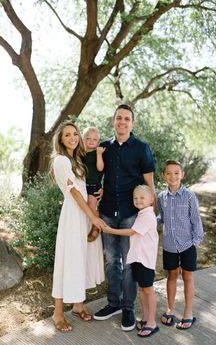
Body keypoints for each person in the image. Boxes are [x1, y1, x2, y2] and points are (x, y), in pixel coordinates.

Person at [94, 104, 156, 332]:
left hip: (132, 214)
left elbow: (149, 183)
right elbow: (96, 176)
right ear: (113, 121)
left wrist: (153, 210)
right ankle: (114, 303)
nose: (122, 122)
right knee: (112, 261)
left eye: (127, 119)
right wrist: (96, 192)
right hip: (108, 211)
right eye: (119, 118)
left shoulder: (141, 148)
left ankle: (128, 308)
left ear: (132, 123)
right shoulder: (105, 148)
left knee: (130, 263)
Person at [49, 121, 106, 332]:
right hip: (74, 215)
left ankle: (78, 305)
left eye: (75, 134)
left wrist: (101, 194)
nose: (73, 137)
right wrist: (93, 217)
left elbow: (87, 185)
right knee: (69, 259)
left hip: (84, 213)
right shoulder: (61, 160)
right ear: (61, 139)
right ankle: (57, 313)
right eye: (67, 135)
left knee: (82, 258)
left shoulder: (77, 159)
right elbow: (74, 193)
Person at [101, 185, 159, 338]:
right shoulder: (141, 214)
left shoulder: (147, 215)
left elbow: (131, 232)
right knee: (141, 289)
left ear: (151, 200)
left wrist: (110, 230)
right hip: (137, 259)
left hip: (145, 260)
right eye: (135, 198)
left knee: (148, 290)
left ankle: (152, 322)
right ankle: (146, 318)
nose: (138, 200)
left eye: (142, 197)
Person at [157, 160, 204, 330]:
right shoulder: (161, 197)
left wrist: (196, 241)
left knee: (187, 277)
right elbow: (161, 218)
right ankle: (170, 309)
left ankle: (188, 313)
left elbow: (196, 221)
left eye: (176, 172)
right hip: (169, 244)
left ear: (182, 174)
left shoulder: (190, 196)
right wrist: (147, 224)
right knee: (171, 276)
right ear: (163, 176)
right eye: (168, 173)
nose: (173, 176)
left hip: (187, 244)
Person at [82, 127, 105, 242]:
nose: (91, 141)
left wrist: (99, 154)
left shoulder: (97, 153)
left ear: (98, 142)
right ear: (82, 139)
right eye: (88, 138)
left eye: (94, 139)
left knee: (91, 205)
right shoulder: (80, 154)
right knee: (83, 206)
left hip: (94, 186)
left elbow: (100, 168)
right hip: (83, 186)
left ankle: (97, 226)